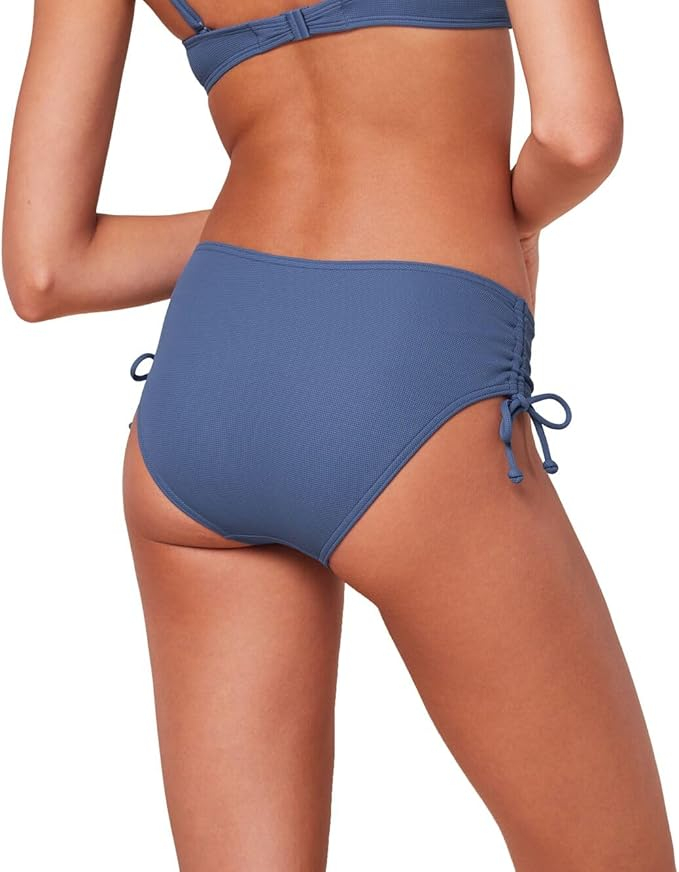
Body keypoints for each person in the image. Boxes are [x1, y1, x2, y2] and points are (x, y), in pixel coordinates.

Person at [3, 0, 675, 869]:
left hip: (203, 394)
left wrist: (269, 218)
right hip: (408, 374)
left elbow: (48, 270)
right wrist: (494, 215)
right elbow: (579, 137)